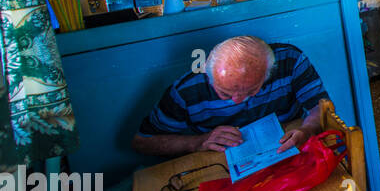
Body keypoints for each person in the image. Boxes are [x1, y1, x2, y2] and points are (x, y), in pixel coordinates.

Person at [132, 36, 330, 157]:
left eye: (251, 91)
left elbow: (320, 106)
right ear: (208, 75)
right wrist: (198, 142)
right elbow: (142, 142)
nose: (237, 100)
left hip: (284, 152)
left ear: (268, 73)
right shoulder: (187, 91)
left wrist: (308, 130)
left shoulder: (290, 60)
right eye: (225, 93)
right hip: (220, 166)